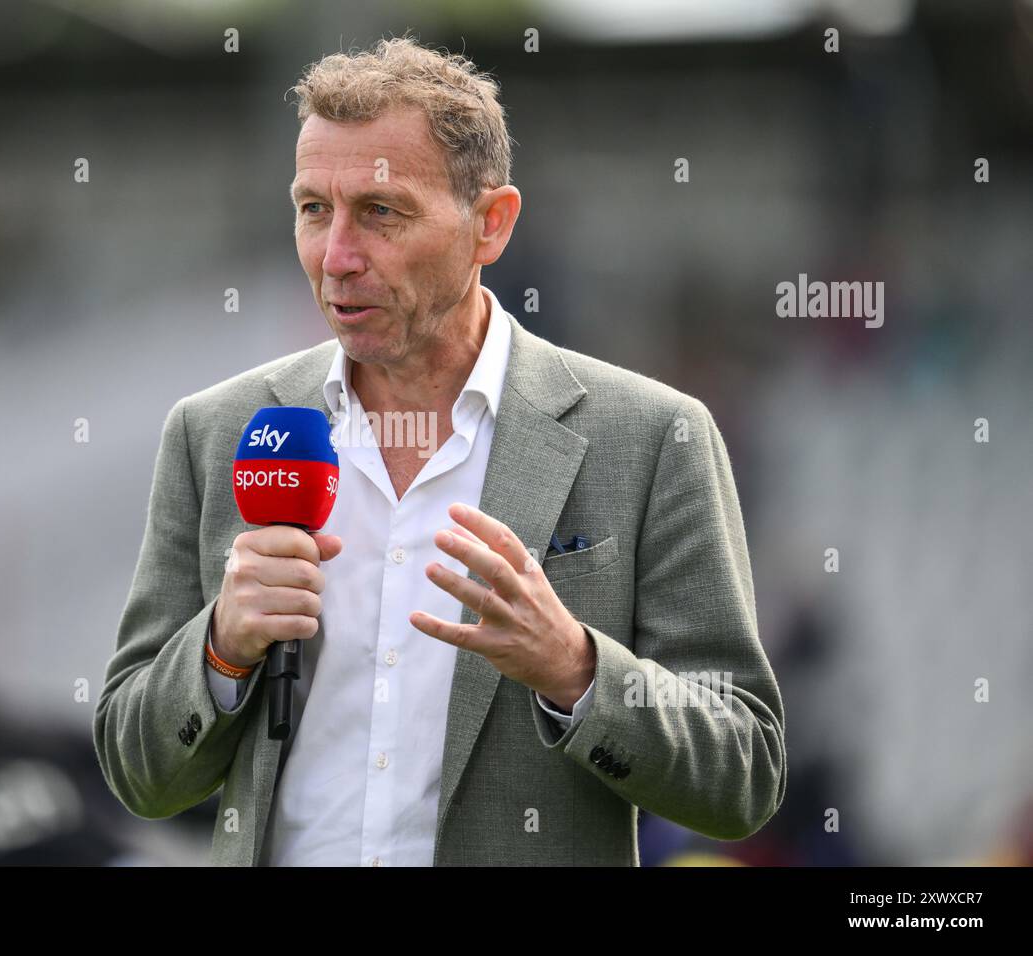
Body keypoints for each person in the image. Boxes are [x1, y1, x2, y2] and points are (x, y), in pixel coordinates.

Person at [94, 36, 785, 866]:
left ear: (490, 225)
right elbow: (139, 776)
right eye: (315, 209)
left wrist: (574, 669)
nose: (338, 257)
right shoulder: (214, 431)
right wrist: (219, 651)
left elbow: (744, 773)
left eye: (381, 213)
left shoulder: (652, 437)